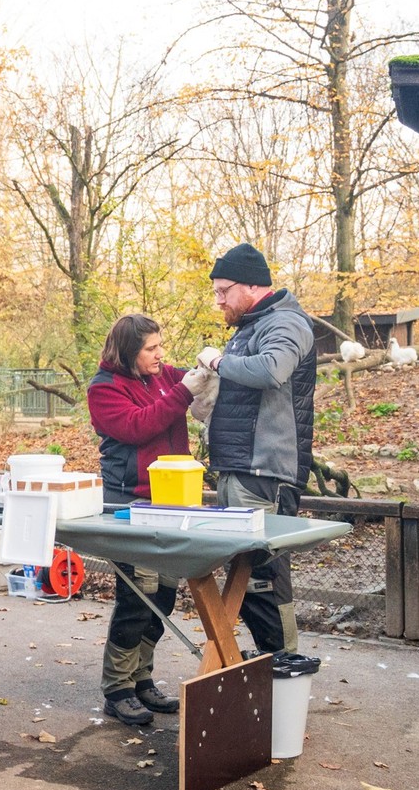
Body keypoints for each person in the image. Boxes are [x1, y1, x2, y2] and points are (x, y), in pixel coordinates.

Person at [86, 314, 208, 725]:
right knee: (137, 596)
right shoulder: (104, 389)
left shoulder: (161, 376)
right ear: (127, 352)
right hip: (130, 503)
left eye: (161, 346)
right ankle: (117, 688)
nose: (160, 355)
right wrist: (184, 393)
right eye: (151, 349)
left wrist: (208, 368)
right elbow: (138, 427)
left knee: (165, 596)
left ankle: (141, 679)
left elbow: (191, 379)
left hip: (173, 500)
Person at [197, 242, 316, 655]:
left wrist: (216, 363)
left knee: (263, 576)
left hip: (265, 472)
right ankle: (270, 661)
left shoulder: (286, 323)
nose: (218, 300)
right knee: (246, 576)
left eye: (222, 290)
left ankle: (285, 661)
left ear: (251, 285)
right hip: (240, 468)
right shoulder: (253, 327)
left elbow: (270, 370)